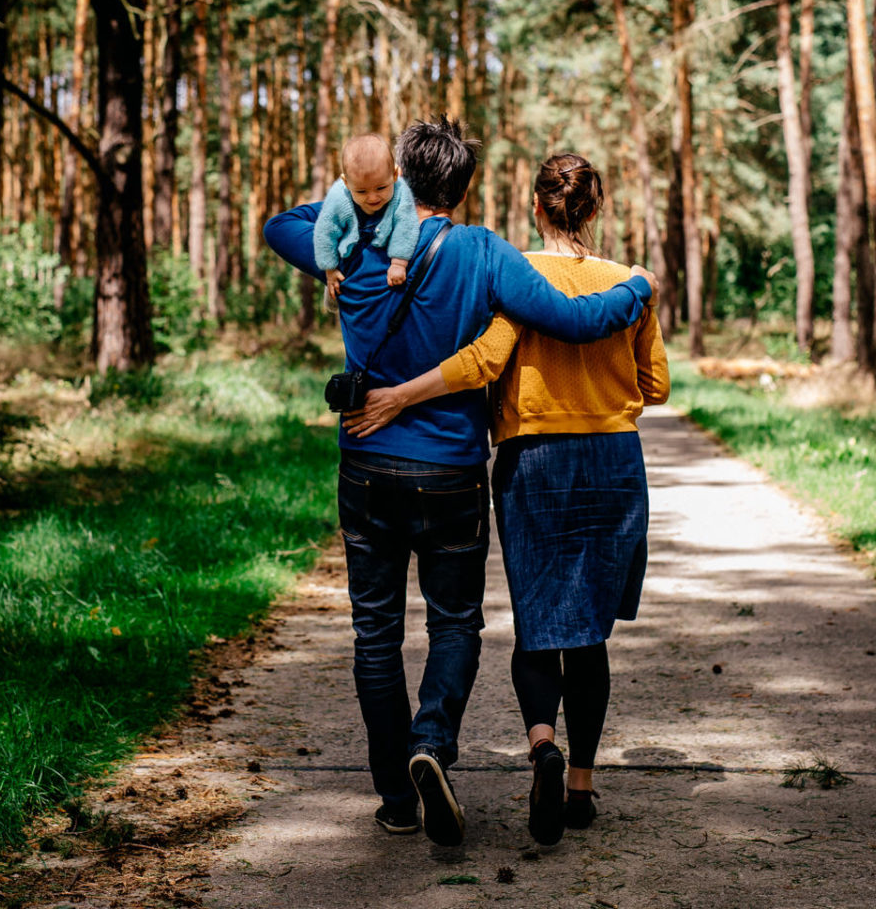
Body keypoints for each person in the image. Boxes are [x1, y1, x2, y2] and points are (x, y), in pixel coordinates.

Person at [263, 120, 658, 848]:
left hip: (367, 463)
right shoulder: (483, 251)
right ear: (468, 187)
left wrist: (355, 202)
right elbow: (574, 321)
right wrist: (635, 288)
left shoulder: (354, 240)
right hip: (449, 472)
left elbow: (279, 223)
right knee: (453, 623)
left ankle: (397, 798)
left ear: (403, 182)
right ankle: (432, 742)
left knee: (374, 632)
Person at [315, 133, 418, 296]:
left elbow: (406, 225)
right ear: (346, 183)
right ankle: (333, 287)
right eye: (362, 191)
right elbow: (325, 232)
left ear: (395, 175)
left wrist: (399, 262)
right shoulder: (338, 199)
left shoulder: (401, 194)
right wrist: (330, 268)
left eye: (381, 188)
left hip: (384, 245)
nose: (373, 197)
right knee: (339, 279)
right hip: (349, 249)